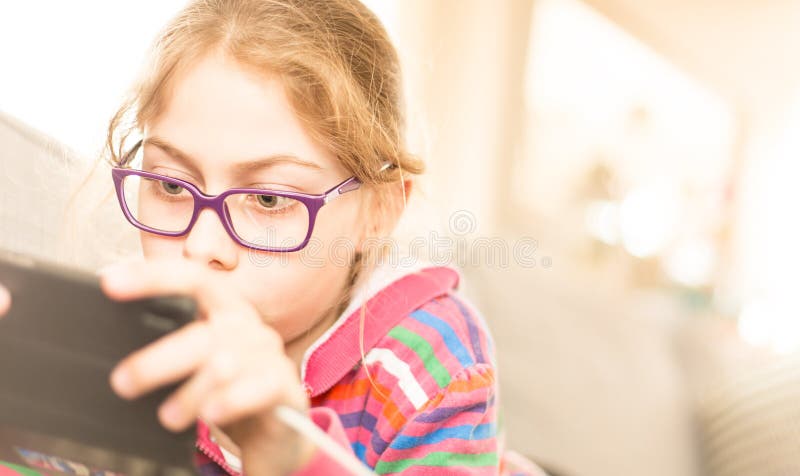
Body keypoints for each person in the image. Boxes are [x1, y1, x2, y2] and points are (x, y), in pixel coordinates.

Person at [0, 1, 543, 475]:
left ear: (378, 210)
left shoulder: (428, 363)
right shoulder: (126, 333)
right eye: (169, 183)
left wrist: (286, 453)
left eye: (267, 199)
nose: (200, 244)